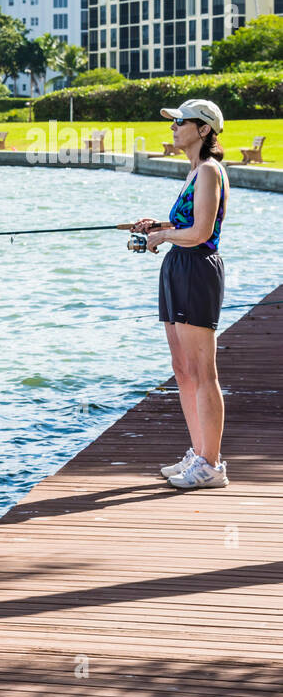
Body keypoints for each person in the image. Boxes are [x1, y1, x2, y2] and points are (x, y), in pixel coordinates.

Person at [132, 99, 230, 490]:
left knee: (203, 371)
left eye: (180, 122)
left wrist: (163, 235)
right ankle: (198, 452)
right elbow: (186, 222)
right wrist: (158, 224)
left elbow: (202, 232)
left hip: (196, 269)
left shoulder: (209, 171)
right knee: (182, 369)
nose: (173, 127)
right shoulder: (193, 172)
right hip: (177, 267)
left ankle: (211, 464)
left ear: (203, 130)